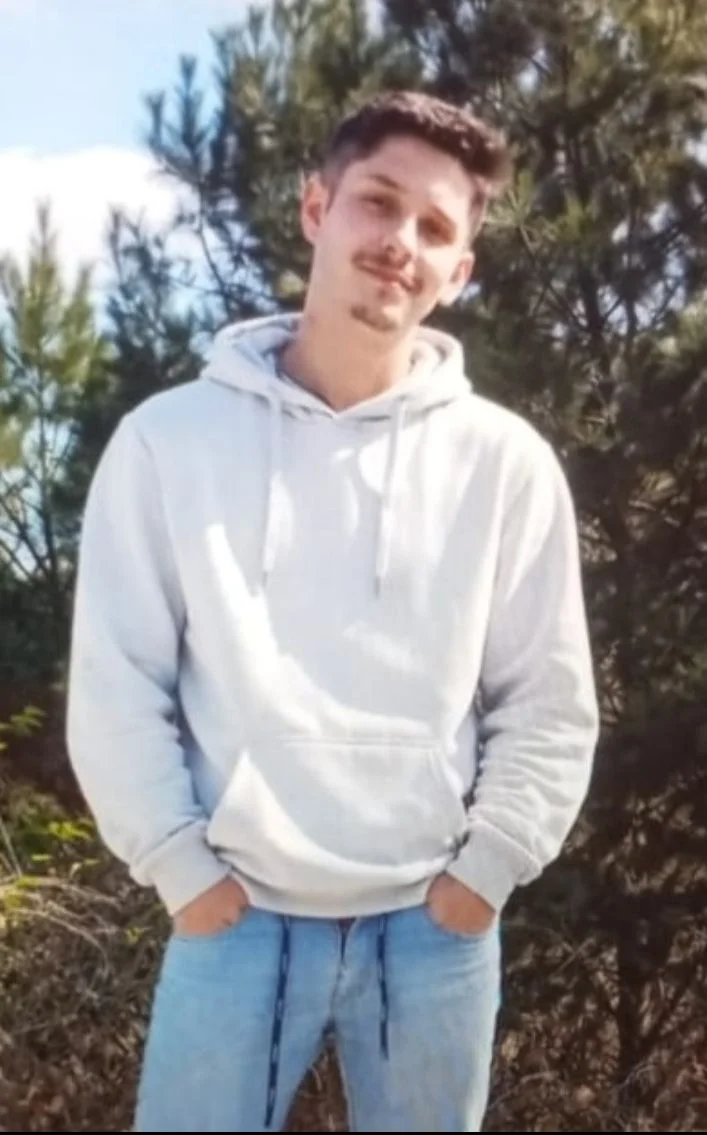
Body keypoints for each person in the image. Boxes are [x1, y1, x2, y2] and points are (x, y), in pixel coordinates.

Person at [66, 90, 599, 1133]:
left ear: (459, 272)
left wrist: (483, 874)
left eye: (435, 228)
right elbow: (118, 681)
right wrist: (181, 869)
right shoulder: (168, 441)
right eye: (378, 203)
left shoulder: (504, 463)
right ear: (317, 208)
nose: (401, 242)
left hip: (432, 926)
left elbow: (545, 697)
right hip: (234, 917)